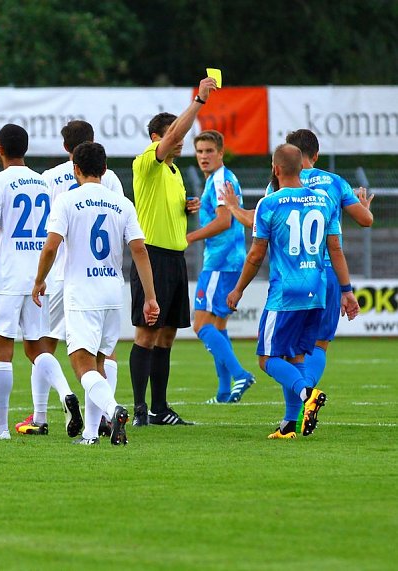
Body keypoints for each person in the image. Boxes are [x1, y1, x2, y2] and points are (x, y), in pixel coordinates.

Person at [0, 123, 83, 441]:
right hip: (38, 276)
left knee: (1, 351)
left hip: (7, 276)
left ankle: (0, 429)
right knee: (38, 347)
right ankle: (66, 392)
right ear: (25, 149)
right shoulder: (42, 183)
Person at [226, 144, 360, 439]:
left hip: (285, 294)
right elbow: (335, 248)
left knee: (267, 359)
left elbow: (256, 255)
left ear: (275, 169)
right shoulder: (324, 200)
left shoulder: (269, 203)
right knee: (298, 356)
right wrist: (347, 290)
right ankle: (289, 423)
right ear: (302, 168)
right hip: (318, 289)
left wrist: (238, 290)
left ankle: (306, 393)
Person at [33, 142, 159, 446]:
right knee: (103, 361)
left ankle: (113, 408)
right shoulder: (121, 203)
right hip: (112, 292)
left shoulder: (67, 200)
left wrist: (39, 280)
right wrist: (151, 297)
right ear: (104, 169)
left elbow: (51, 245)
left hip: (82, 293)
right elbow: (139, 249)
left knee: (81, 364)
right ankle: (91, 433)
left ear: (76, 168)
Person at [15, 120, 124, 439]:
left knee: (41, 345)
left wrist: (38, 276)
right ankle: (105, 416)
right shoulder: (111, 179)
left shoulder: (48, 178)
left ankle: (40, 416)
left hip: (58, 275)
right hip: (100, 277)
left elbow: (39, 230)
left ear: (66, 148)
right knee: (104, 354)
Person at [129, 75, 218, 426]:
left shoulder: (175, 171)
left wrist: (186, 206)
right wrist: (199, 100)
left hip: (174, 258)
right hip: (150, 256)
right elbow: (173, 136)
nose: (181, 141)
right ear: (157, 139)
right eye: (175, 136)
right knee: (147, 332)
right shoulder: (146, 161)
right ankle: (138, 409)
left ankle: (159, 409)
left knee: (167, 335)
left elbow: (166, 208)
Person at [185, 130, 255, 404]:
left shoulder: (220, 179)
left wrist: (189, 237)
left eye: (209, 151)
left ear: (220, 152)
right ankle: (224, 392)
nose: (203, 156)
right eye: (200, 151)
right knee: (218, 325)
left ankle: (240, 374)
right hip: (230, 260)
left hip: (220, 261)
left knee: (201, 326)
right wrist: (200, 206)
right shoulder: (220, 179)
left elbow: (224, 221)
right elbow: (220, 212)